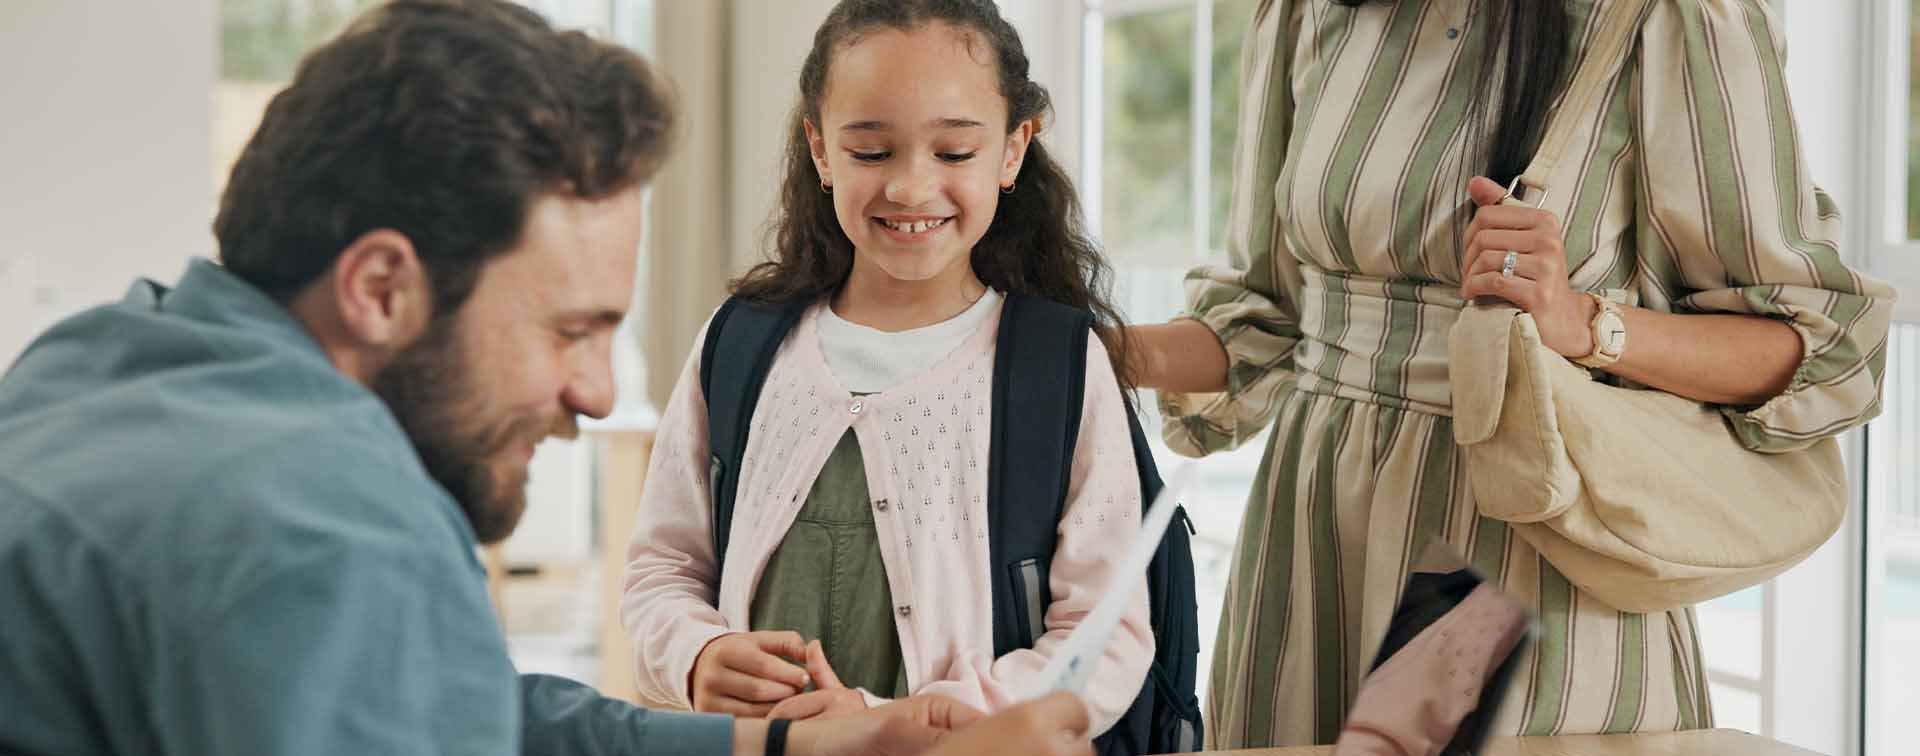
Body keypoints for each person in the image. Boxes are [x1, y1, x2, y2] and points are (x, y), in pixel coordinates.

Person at [0, 2, 1092, 754]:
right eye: (571, 329)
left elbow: (455, 712)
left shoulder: (105, 361)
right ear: (381, 287)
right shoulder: (324, 517)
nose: (595, 393)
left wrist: (792, 746)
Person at [1123, 0, 1895, 748]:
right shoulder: (1307, 12)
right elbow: (1266, 319)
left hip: (1498, 533)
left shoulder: (1664, 16)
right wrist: (1083, 347)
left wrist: (1584, 321)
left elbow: (1815, 345)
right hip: (1313, 525)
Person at [620, 0, 1153, 736]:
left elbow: (1105, 638)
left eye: (954, 153)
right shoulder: (740, 341)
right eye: (871, 152)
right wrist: (696, 652)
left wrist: (900, 723)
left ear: (1012, 149)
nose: (908, 187)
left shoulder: (1058, 367)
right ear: (820, 148)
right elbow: (661, 569)